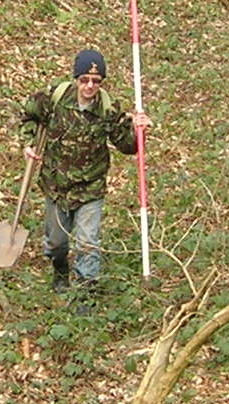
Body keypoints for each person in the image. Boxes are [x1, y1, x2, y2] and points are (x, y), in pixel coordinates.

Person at [21, 47, 143, 295]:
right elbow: (28, 115)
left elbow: (128, 146)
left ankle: (86, 291)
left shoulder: (108, 109)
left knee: (88, 242)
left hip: (90, 188)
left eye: (96, 81)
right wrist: (28, 142)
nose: (89, 86)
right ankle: (60, 270)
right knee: (56, 243)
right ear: (76, 79)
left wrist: (139, 129)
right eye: (84, 80)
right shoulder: (54, 97)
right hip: (56, 185)